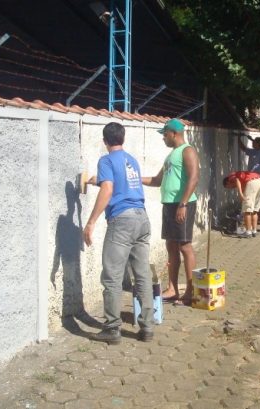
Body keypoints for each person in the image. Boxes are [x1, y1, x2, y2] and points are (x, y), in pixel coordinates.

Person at [82, 122, 155, 345]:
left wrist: (91, 222)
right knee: (142, 275)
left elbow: (109, 189)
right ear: (122, 139)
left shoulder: (105, 160)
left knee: (112, 276)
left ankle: (112, 329)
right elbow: (114, 182)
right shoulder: (131, 160)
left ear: (104, 141)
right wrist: (95, 180)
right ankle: (147, 328)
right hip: (142, 218)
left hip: (122, 221)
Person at [142, 119, 199, 307]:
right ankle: (173, 289)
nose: (163, 138)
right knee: (171, 247)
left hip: (182, 204)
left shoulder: (187, 151)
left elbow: (194, 179)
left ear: (174, 133)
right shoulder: (170, 156)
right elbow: (157, 180)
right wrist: (133, 177)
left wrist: (183, 204)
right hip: (168, 205)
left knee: (185, 246)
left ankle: (190, 292)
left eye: (165, 134)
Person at [223, 171, 260, 238]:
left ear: (227, 182)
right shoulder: (242, 181)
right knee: (254, 210)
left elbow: (237, 180)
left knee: (247, 210)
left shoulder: (231, 176)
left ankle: (248, 232)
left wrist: (240, 193)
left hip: (252, 182)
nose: (230, 188)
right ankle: (254, 231)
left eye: (228, 187)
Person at [238, 134, 260, 221]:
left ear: (258, 144)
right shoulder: (252, 151)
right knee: (252, 195)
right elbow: (243, 148)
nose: (252, 144)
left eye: (254, 143)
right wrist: (239, 138)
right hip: (251, 178)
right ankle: (255, 212)